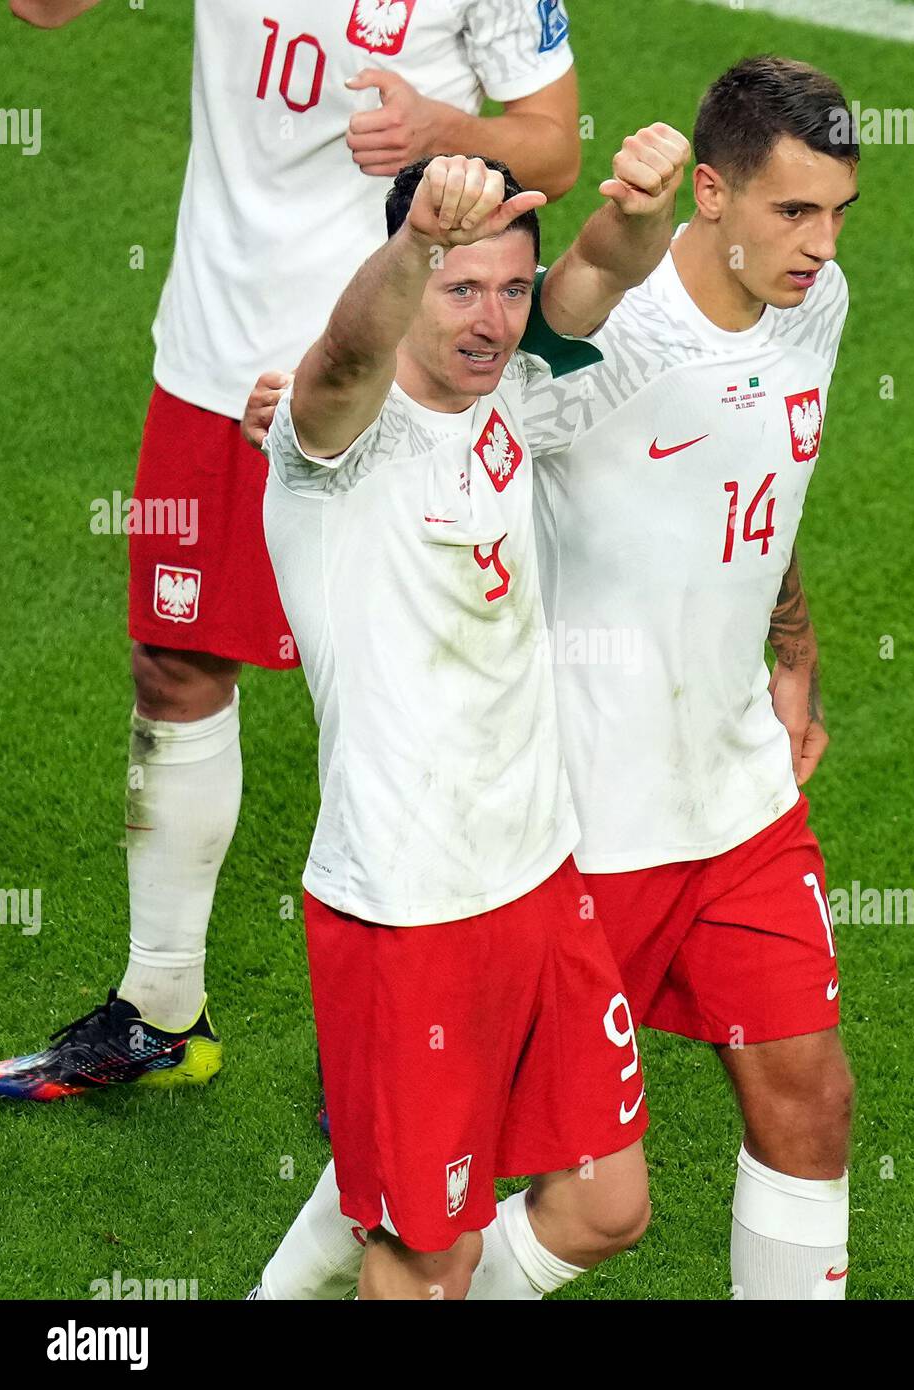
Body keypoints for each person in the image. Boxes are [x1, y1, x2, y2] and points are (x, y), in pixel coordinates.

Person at [249, 55, 862, 1301]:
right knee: (447, 1211)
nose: (822, 243)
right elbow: (373, 358)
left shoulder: (780, 318)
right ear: (714, 193)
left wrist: (791, 654)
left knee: (711, 1146)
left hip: (647, 828)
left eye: (837, 212)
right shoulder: (426, 411)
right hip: (508, 857)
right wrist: (417, 264)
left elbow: (729, 441)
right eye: (794, 212)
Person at [0, 0, 581, 1099]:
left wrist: (443, 129)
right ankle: (160, 1009)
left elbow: (553, 139)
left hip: (380, 382)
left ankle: (441, 1023)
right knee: (174, 663)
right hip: (214, 355)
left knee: (406, 692)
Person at [260, 123, 691, 1298]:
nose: (491, 320)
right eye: (460, 287)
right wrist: (413, 246)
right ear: (411, 276)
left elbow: (604, 266)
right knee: (426, 1248)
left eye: (509, 289)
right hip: (408, 910)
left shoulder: (517, 386)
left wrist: (649, 199)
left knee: (609, 1202)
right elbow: (343, 360)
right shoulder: (329, 446)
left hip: (538, 880)